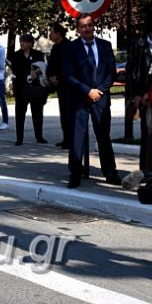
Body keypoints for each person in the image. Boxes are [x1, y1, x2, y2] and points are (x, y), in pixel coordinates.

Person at [62, 14, 121, 189]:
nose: (86, 28)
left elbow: (111, 72)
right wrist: (87, 90)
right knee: (76, 138)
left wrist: (100, 90)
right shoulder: (70, 48)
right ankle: (75, 174)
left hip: (101, 99)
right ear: (77, 29)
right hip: (79, 98)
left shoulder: (105, 45)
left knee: (103, 137)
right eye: (82, 26)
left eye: (89, 25)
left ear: (93, 26)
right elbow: (67, 75)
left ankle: (110, 173)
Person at [126, 15, 152, 171]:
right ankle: (146, 169)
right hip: (144, 88)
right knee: (147, 129)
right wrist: (136, 93)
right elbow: (132, 70)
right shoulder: (139, 44)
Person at [9, 34, 48, 146]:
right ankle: (19, 138)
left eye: (24, 41)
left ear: (30, 43)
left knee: (37, 113)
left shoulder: (38, 54)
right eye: (21, 41)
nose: (22, 43)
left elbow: (42, 67)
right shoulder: (16, 55)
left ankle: (39, 136)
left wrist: (36, 72)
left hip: (35, 88)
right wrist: (27, 74)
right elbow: (15, 70)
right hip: (21, 88)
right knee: (20, 113)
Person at [46, 23, 71, 149]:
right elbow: (51, 65)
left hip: (68, 86)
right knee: (63, 113)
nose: (50, 34)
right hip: (59, 86)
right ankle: (66, 138)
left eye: (51, 32)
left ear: (58, 33)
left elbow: (68, 67)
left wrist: (59, 78)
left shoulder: (68, 46)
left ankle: (71, 140)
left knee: (69, 113)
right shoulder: (55, 47)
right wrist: (50, 76)